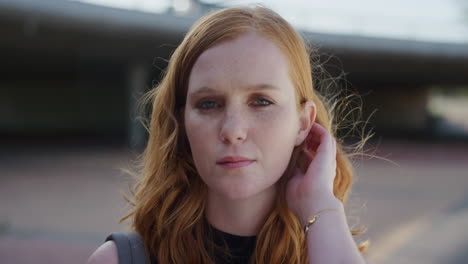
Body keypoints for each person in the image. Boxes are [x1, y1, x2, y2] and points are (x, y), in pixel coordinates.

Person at [88, 5, 371, 264]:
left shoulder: (329, 251)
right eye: (208, 104)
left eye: (261, 101)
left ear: (303, 124)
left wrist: (320, 206)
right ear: (182, 122)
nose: (233, 131)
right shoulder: (119, 260)